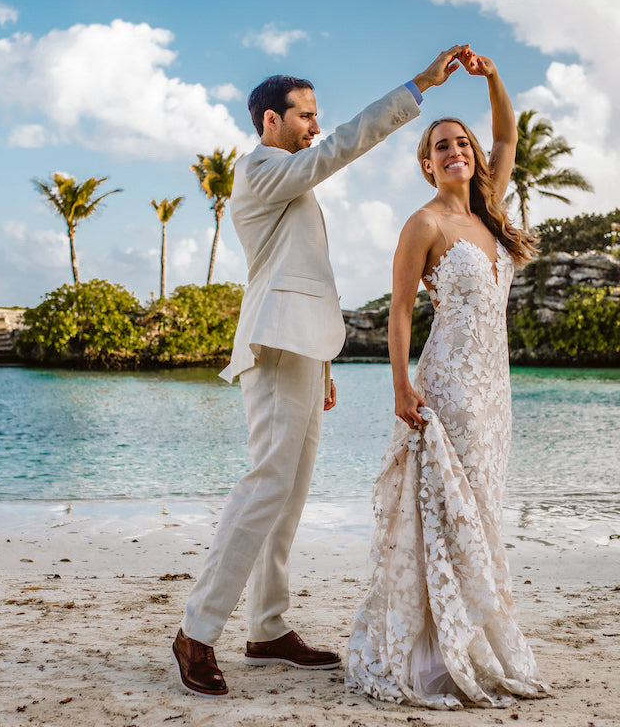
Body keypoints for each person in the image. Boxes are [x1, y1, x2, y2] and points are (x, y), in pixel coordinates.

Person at [171, 45, 469, 699]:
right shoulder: (259, 169)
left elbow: (297, 274)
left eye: (315, 114)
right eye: (304, 115)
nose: (313, 125)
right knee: (266, 483)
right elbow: (339, 149)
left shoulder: (284, 179)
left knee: (289, 492)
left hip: (302, 351)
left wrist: (325, 361)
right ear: (269, 121)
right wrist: (416, 86)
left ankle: (268, 626)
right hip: (276, 350)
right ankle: (197, 630)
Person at [345, 50, 552, 709]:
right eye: (442, 144)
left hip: (497, 393)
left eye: (462, 142)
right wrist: (401, 385)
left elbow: (509, 135)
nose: (456, 149)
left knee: (483, 515)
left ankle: (476, 639)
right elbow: (401, 310)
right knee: (450, 518)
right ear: (427, 163)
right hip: (450, 386)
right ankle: (439, 651)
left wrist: (492, 77)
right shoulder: (424, 224)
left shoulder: (490, 211)